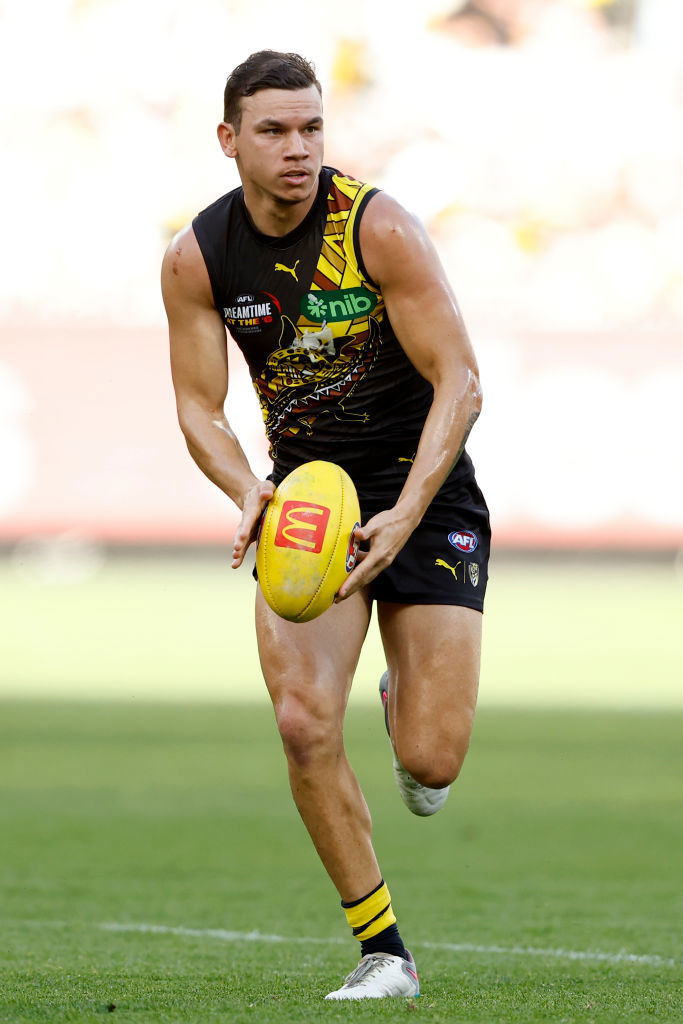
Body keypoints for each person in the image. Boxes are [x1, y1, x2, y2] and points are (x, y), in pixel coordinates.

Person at [161, 49, 490, 1001]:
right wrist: (246, 493)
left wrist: (405, 516)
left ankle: (402, 705)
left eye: (311, 127)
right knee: (303, 721)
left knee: (432, 761)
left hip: (420, 490)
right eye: (273, 130)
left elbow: (459, 383)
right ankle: (384, 950)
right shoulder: (199, 256)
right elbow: (198, 408)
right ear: (230, 141)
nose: (298, 148)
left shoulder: (377, 227)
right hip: (307, 497)